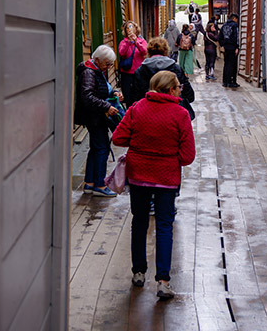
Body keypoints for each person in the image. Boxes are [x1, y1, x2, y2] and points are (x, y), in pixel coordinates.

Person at [112, 70, 196, 300]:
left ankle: (138, 272)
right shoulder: (181, 115)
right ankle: (162, 281)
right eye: (178, 86)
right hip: (167, 179)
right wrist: (167, 156)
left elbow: (118, 138)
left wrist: (141, 144)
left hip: (139, 175)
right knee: (164, 226)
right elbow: (188, 156)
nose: (180, 90)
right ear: (170, 90)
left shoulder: (137, 108)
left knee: (139, 221)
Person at [75, 45, 122, 197]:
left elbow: (102, 89)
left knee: (96, 148)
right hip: (94, 116)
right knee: (102, 148)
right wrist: (106, 106)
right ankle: (100, 185)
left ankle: (89, 183)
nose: (108, 67)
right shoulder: (89, 72)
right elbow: (87, 96)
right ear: (97, 59)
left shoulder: (96, 69)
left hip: (95, 115)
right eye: (107, 63)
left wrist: (114, 93)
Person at [132, 37, 195, 117]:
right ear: (166, 51)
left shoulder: (140, 71)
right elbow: (190, 95)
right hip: (172, 115)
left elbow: (134, 98)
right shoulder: (176, 69)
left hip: (148, 115)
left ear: (149, 52)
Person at [118, 21, 148, 107]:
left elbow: (144, 52)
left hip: (139, 72)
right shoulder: (123, 42)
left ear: (136, 29)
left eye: (131, 27)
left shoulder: (141, 41)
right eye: (127, 28)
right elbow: (121, 53)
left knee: (139, 94)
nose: (129, 30)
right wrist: (128, 42)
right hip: (126, 73)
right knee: (128, 95)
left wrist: (136, 42)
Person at [219, 13, 240, 88]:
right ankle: (232, 81)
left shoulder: (224, 25)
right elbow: (236, 36)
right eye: (237, 19)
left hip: (226, 47)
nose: (237, 21)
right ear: (234, 18)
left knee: (226, 64)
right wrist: (237, 47)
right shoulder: (234, 26)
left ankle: (225, 81)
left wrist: (222, 45)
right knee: (233, 65)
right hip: (232, 47)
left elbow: (220, 37)